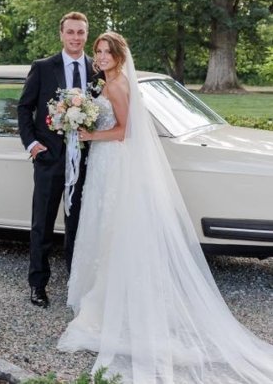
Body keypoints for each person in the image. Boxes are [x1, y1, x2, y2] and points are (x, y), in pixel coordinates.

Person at [57, 31, 273, 383]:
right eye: (98, 51)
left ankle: (113, 304)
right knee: (105, 228)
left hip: (113, 161)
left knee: (112, 229)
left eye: (107, 52)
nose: (101, 56)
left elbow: (124, 131)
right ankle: (108, 297)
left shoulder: (117, 86)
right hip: (104, 164)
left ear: (120, 56)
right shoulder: (106, 83)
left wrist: (88, 133)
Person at [17, 11, 96, 308]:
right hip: (49, 159)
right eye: (70, 32)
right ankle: (38, 285)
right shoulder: (42, 67)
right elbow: (24, 108)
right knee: (43, 224)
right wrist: (32, 144)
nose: (76, 37)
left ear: (86, 35)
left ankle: (76, 286)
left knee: (78, 226)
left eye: (80, 32)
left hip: (86, 162)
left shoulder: (97, 69)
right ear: (61, 34)